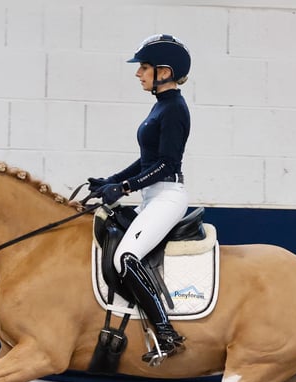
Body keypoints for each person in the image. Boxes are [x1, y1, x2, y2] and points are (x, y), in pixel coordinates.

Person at [89, 34, 191, 364]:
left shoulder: (174, 109)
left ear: (164, 71)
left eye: (144, 67)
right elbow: (147, 160)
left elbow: (166, 165)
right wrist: (112, 181)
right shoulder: (160, 106)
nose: (138, 73)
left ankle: (166, 334)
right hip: (152, 196)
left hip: (168, 197)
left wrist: (126, 188)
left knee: (127, 256)